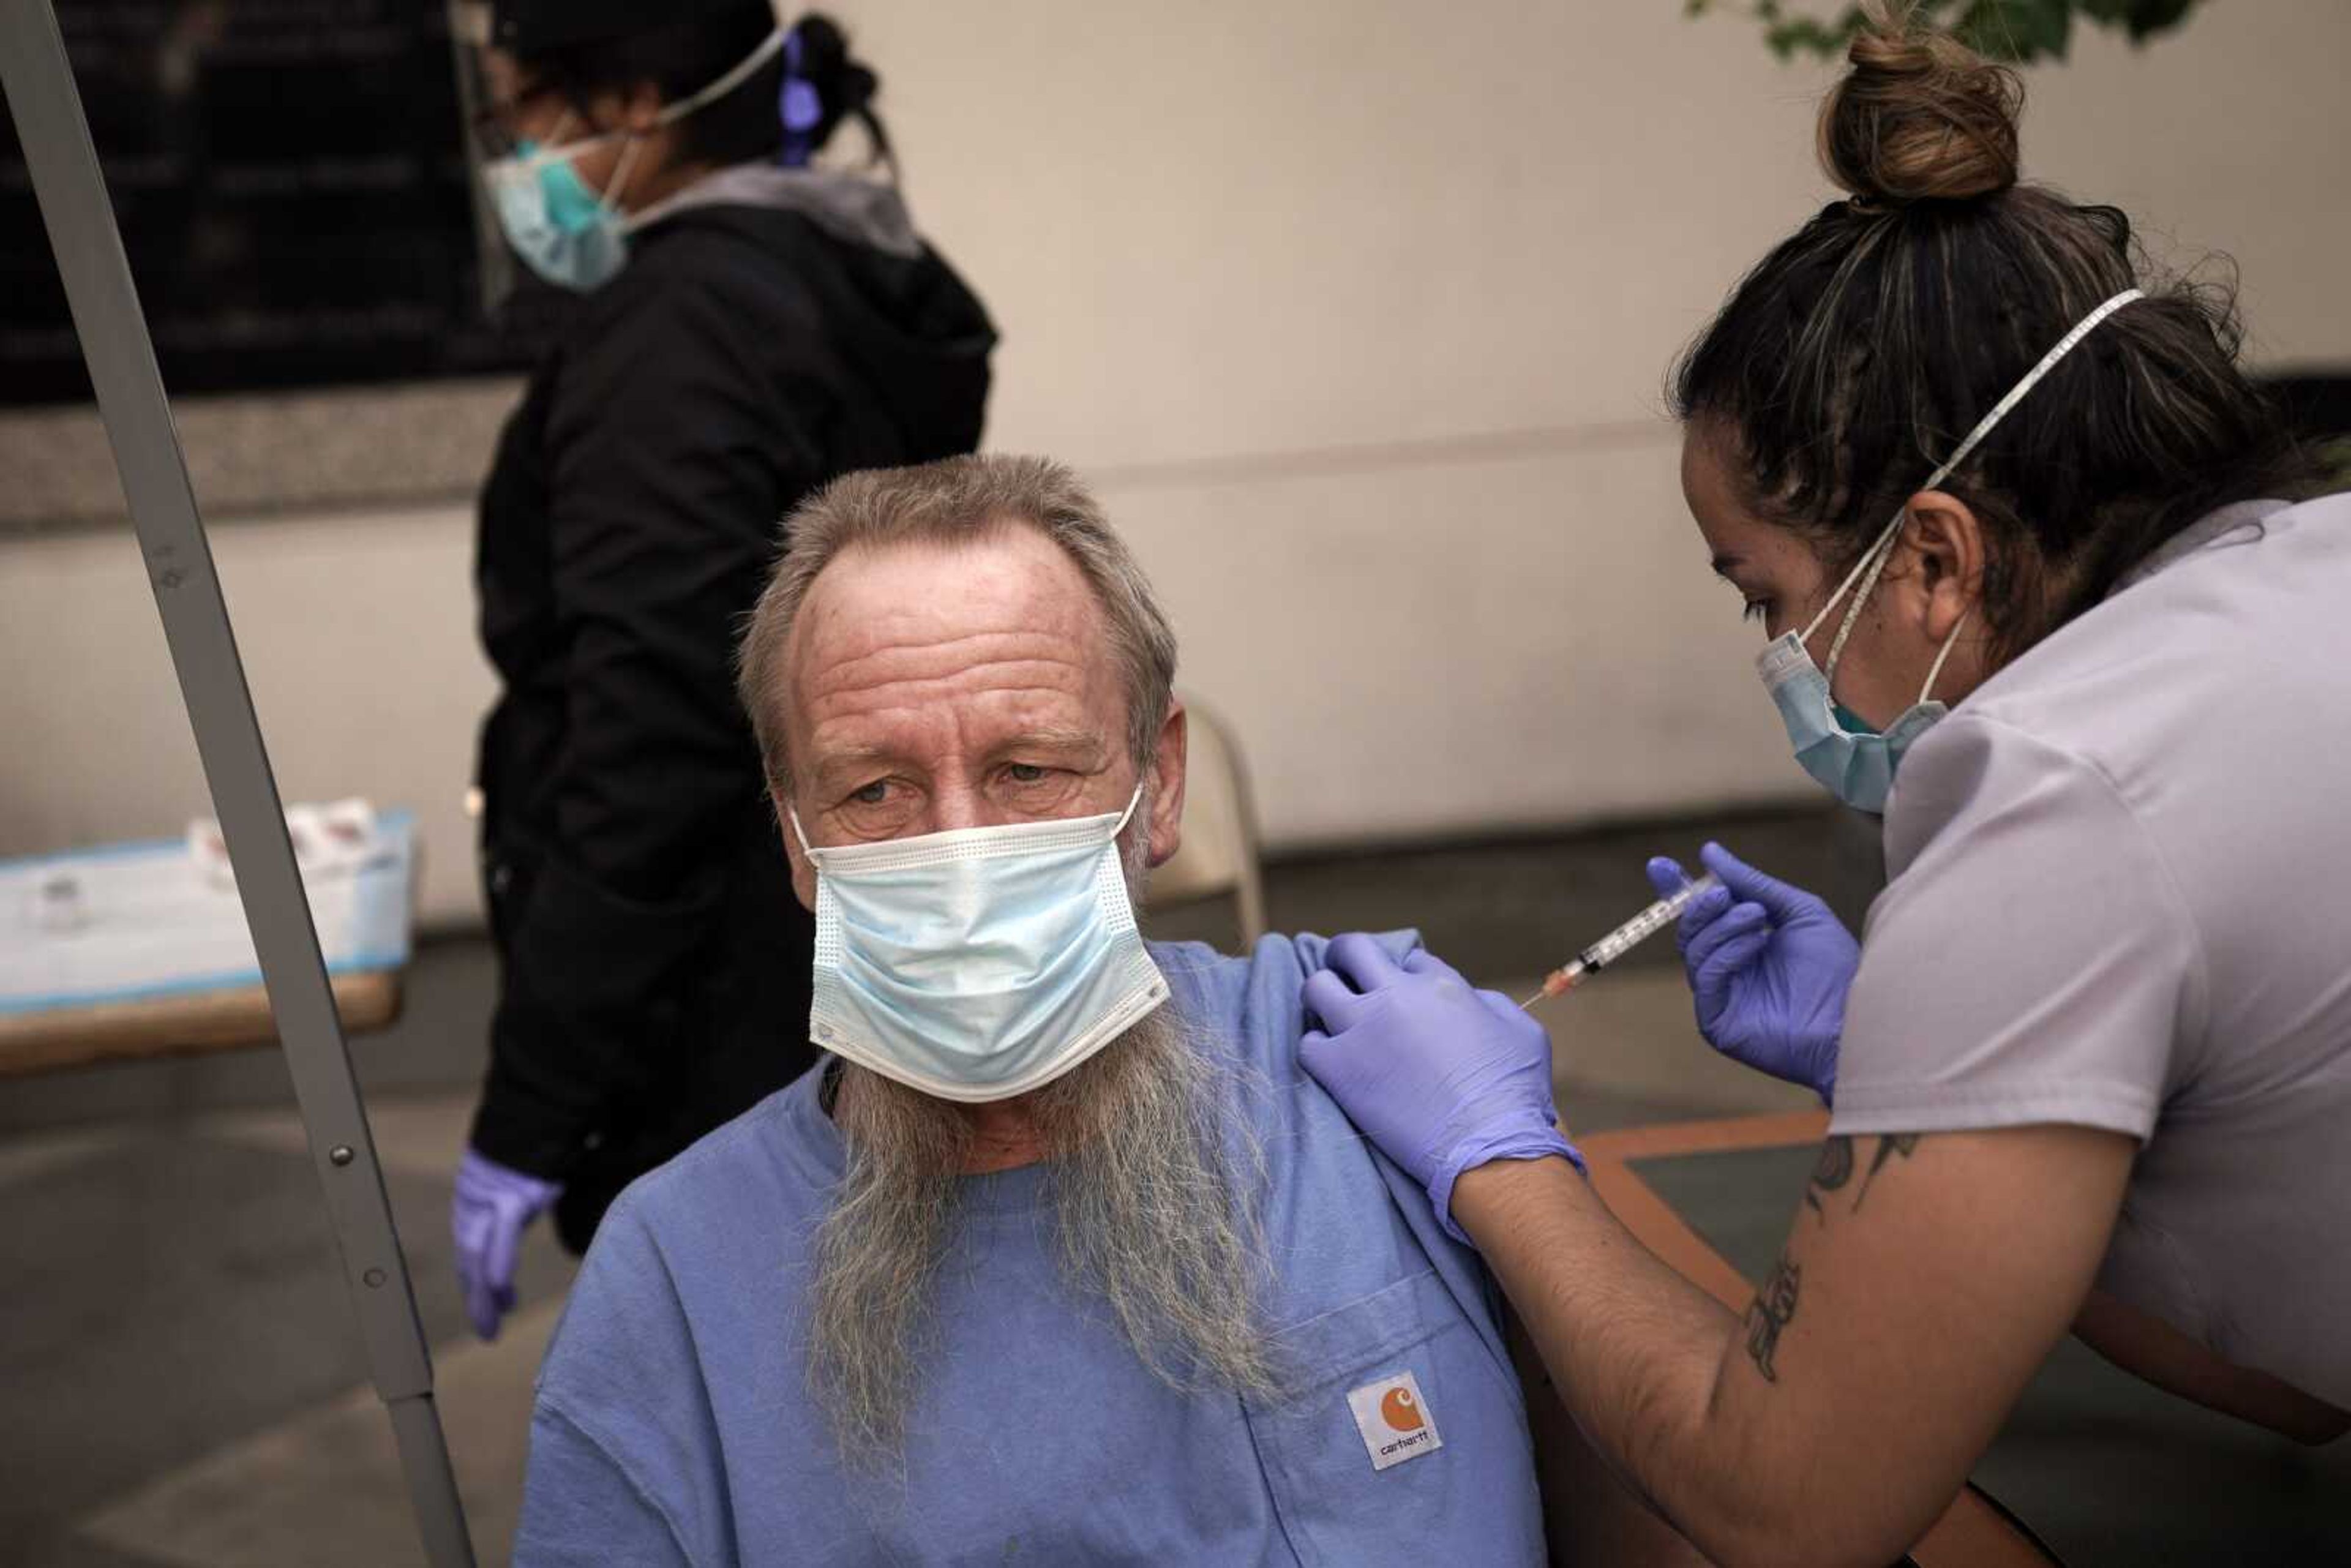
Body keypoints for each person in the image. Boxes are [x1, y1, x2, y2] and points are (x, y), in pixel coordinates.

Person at [1299, 6, 2350, 1565]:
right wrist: (1894, 1060)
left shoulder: (2055, 793)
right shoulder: (2306, 570)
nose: (1782, 652)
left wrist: (1500, 1161)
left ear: (1934, 554)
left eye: (1763, 594)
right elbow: (2291, 1378)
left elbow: (1788, 1506)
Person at [511, 456, 1692, 1565]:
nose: (963, 849)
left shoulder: (1377, 1062)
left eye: (1030, 769)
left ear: (1158, 783)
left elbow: (1671, 1496)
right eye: (877, 788)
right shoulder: (675, 1285)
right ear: (796, 837)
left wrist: (1522, 1172)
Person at [454, 0, 994, 1341]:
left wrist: (536, 1104)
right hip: (856, 954)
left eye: (521, 114)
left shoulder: (678, 334)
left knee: (768, 1399)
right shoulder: (827, 269)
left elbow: (656, 743)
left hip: (724, 1005)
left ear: (631, 111)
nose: (508, 156)